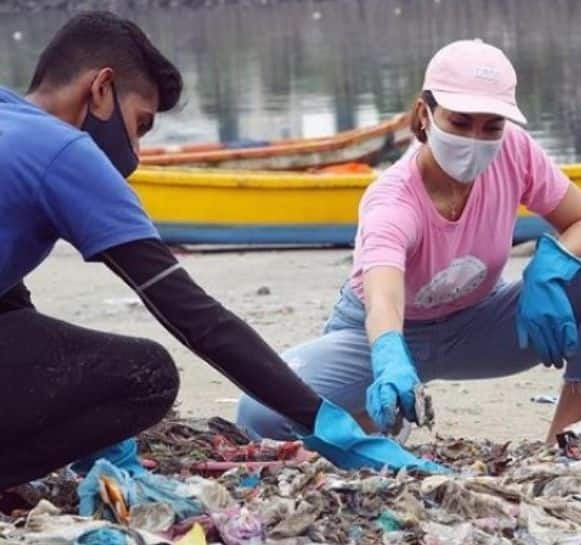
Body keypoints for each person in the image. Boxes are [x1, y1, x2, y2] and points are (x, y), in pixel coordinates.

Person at [0, 11, 438, 489]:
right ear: (101, 89)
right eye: (140, 124)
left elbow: (10, 296)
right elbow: (194, 317)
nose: (136, 151)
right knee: (147, 374)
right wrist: (322, 420)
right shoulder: (67, 151)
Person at [237, 39, 581, 443]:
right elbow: (384, 299)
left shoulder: (514, 152)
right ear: (425, 113)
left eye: (491, 126)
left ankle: (568, 442)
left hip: (479, 324)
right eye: (459, 122)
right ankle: (370, 422)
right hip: (381, 335)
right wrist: (388, 354)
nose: (475, 139)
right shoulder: (392, 199)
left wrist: (551, 265)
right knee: (262, 410)